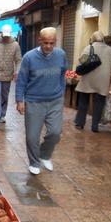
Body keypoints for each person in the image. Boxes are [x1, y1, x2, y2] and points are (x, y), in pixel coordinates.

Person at [16, 27, 67, 175]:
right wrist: (20, 100)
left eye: (52, 43)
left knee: (55, 132)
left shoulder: (61, 55)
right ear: (40, 41)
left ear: (55, 42)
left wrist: (61, 92)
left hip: (55, 100)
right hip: (34, 102)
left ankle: (44, 155)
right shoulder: (29, 57)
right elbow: (21, 80)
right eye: (46, 43)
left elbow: (62, 74)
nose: (48, 46)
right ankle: (34, 162)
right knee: (32, 136)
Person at [74, 31, 111, 132]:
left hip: (88, 77)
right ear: (103, 39)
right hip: (103, 79)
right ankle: (95, 126)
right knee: (99, 103)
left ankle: (80, 123)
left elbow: (81, 61)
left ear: (92, 38)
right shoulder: (109, 49)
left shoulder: (89, 48)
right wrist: (110, 77)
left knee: (83, 100)